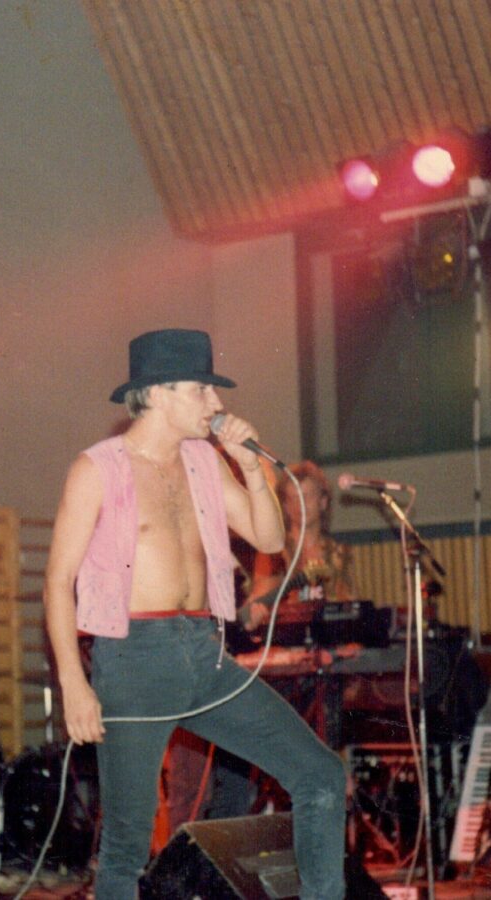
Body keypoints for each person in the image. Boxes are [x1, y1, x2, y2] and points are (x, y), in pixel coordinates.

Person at [44, 328, 346, 900]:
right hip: (133, 659)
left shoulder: (205, 462)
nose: (216, 402)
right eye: (201, 390)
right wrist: (73, 685)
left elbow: (268, 537)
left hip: (203, 653)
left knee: (320, 773)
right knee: (126, 847)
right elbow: (58, 582)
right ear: (159, 393)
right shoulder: (97, 469)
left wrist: (250, 469)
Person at [242, 460, 359, 749]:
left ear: (323, 502)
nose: (299, 506)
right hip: (285, 659)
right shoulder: (274, 551)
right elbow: (260, 604)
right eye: (292, 498)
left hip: (326, 656)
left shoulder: (339, 554)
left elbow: (348, 609)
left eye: (306, 496)